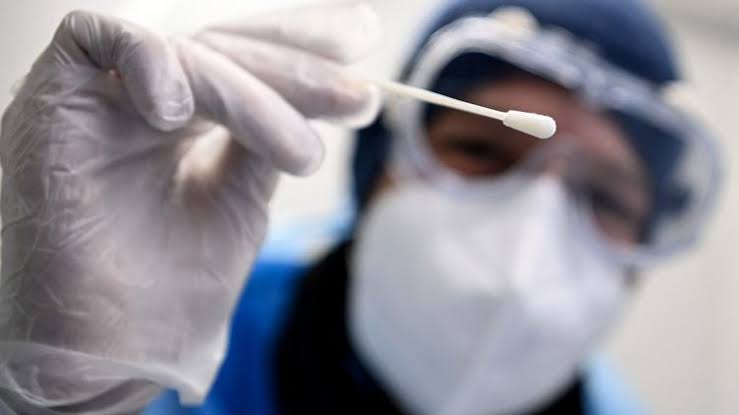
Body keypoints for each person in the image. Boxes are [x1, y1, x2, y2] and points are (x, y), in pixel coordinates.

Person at [0, 1, 721, 415]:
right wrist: (65, 394)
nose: (533, 229)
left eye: (602, 196)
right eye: (481, 150)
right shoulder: (177, 350)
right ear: (379, 171)